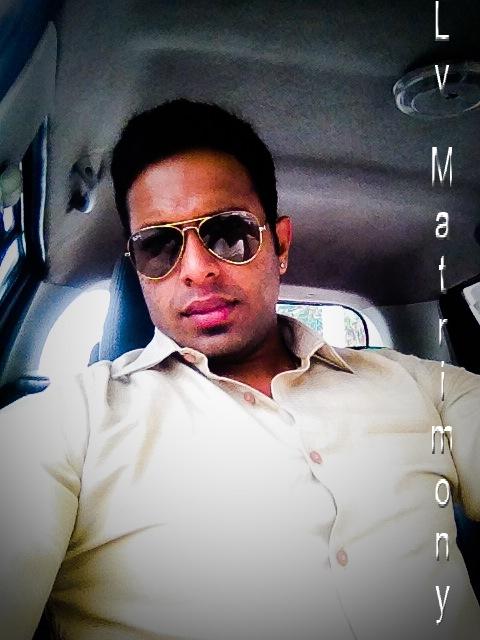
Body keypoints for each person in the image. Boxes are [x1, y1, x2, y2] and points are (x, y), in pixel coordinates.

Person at [0, 99, 479, 640]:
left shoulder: (422, 387)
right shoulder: (72, 425)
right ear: (138, 269)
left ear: (281, 245)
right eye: (159, 246)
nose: (197, 269)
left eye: (228, 233)